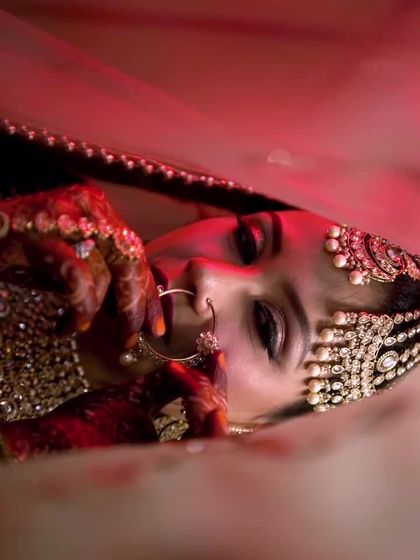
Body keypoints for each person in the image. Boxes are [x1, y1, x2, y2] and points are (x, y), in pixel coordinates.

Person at [0, 122, 418, 459]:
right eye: (246, 241)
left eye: (266, 325)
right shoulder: (34, 194)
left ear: (263, 425)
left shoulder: (128, 515)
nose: (207, 274)